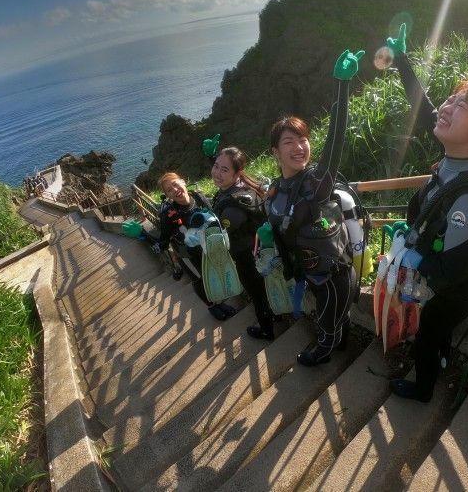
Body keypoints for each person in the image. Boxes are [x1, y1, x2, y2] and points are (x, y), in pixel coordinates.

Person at [382, 23, 468, 403]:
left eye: (460, 106)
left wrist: (412, 252)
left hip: (457, 289)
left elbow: (450, 272)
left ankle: (422, 388)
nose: (446, 108)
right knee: (438, 333)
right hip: (455, 278)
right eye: (451, 100)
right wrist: (402, 61)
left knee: (430, 332)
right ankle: (440, 355)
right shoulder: (463, 159)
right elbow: (426, 109)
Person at [264, 48, 364, 367]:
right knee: (332, 314)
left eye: (303, 139)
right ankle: (340, 336)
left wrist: (342, 85)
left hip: (334, 273)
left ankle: (324, 348)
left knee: (327, 320)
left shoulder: (316, 183)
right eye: (289, 142)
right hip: (310, 271)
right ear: (275, 152)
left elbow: (335, 141)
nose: (299, 146)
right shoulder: (276, 189)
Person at [209, 146, 275, 340]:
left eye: (224, 170)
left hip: (247, 257)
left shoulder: (233, 208)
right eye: (215, 166)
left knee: (257, 293)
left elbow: (221, 235)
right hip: (258, 250)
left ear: (237, 173)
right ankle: (275, 315)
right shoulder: (240, 187)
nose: (217, 173)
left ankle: (266, 329)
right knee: (263, 287)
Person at [155, 171, 237, 322]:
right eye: (169, 190)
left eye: (175, 184)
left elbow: (214, 215)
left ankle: (220, 302)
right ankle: (212, 306)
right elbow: (163, 240)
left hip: (209, 249)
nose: (174, 190)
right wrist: (144, 235)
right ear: (168, 196)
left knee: (212, 276)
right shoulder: (169, 214)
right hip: (188, 255)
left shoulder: (198, 197)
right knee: (199, 279)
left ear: (183, 182)